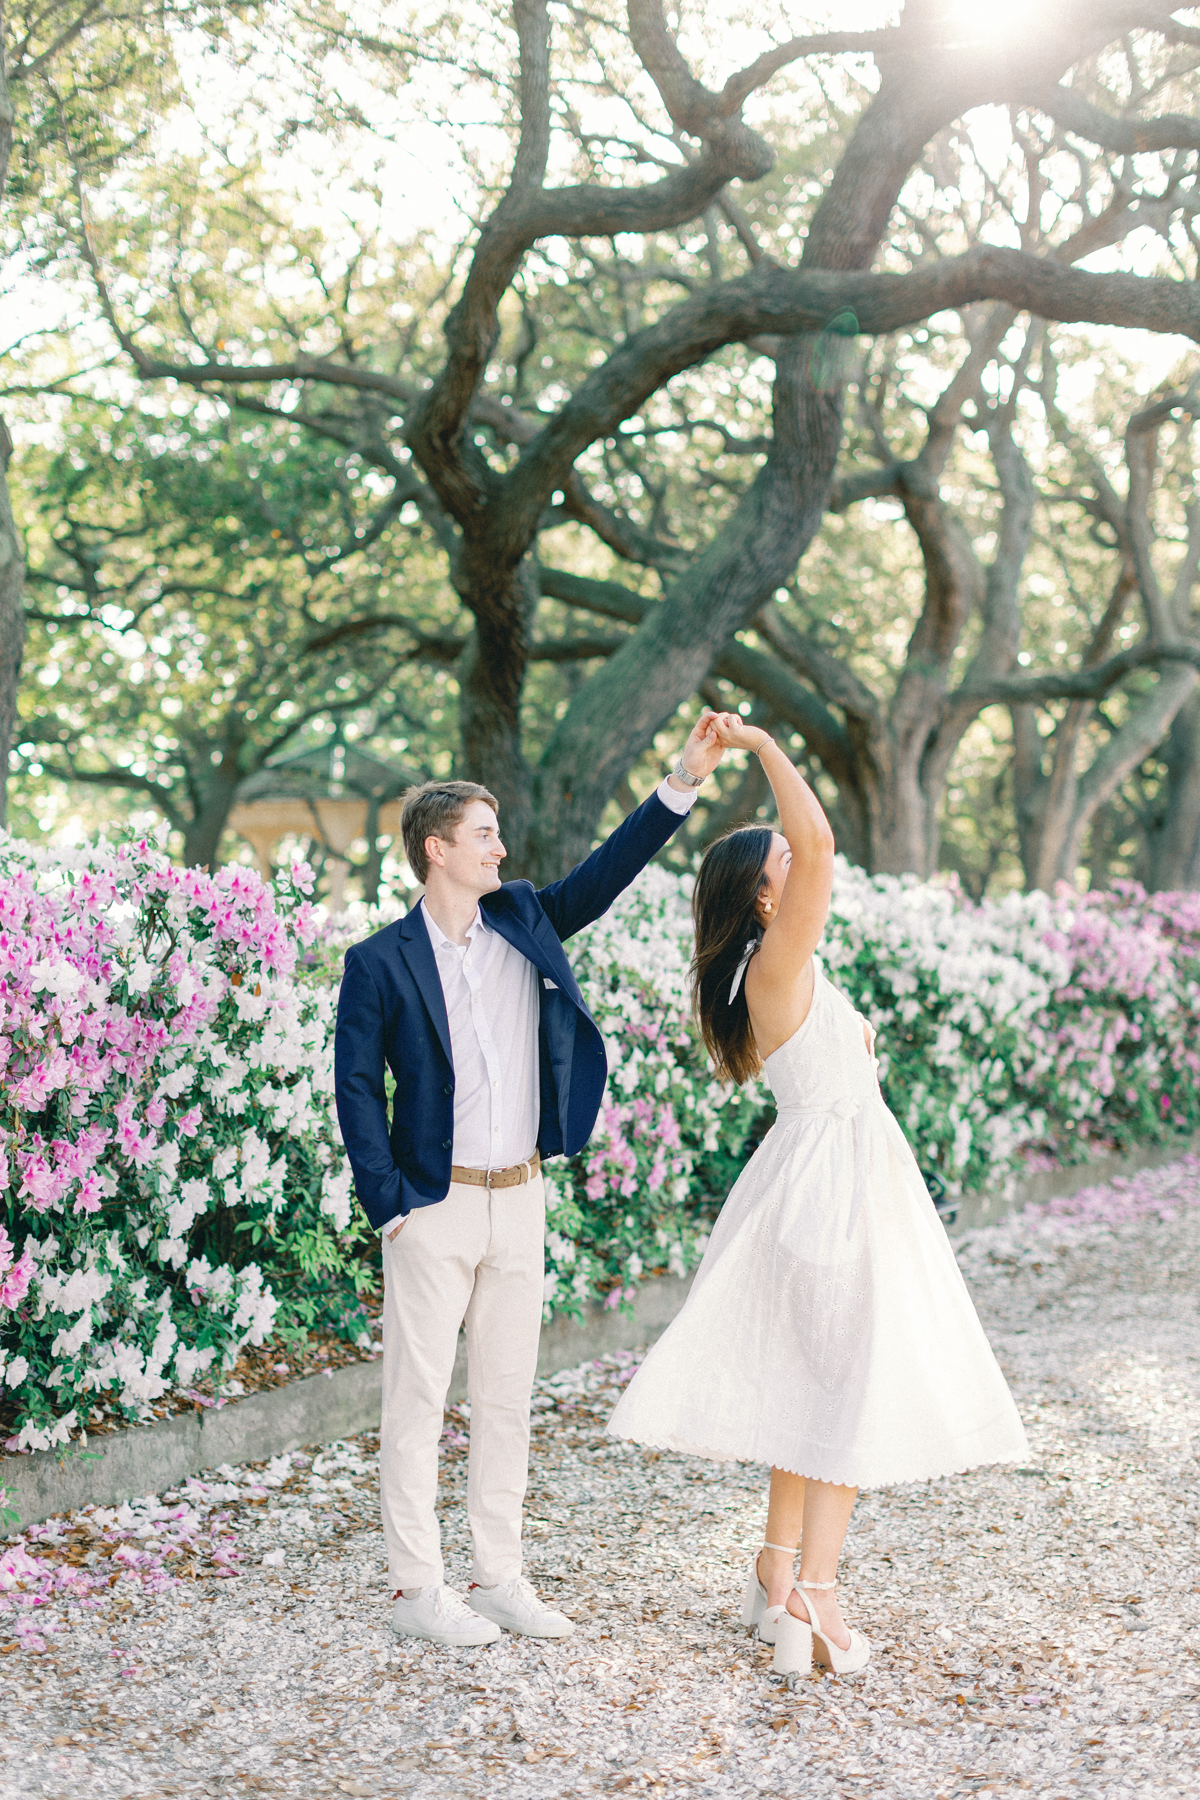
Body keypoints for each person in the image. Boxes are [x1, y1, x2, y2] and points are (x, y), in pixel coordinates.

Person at [607, 714, 1029, 1677]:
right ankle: (817, 1598)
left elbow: (814, 852)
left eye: (792, 859)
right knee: (847, 1397)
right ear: (763, 899)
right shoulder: (780, 961)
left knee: (813, 1388)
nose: (803, 864)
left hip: (822, 1180)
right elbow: (825, 840)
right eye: (781, 863)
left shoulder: (784, 968)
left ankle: (775, 1569)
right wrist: (759, 748)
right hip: (833, 1191)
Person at [334, 715, 727, 1646]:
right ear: (438, 850)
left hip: (522, 1197)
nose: (499, 847)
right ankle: (415, 1591)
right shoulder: (378, 962)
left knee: (507, 1399)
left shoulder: (524, 919)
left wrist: (682, 778)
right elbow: (354, 1087)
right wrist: (390, 1204)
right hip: (432, 1205)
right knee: (418, 1401)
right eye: (483, 835)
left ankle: (499, 1576)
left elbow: (609, 868)